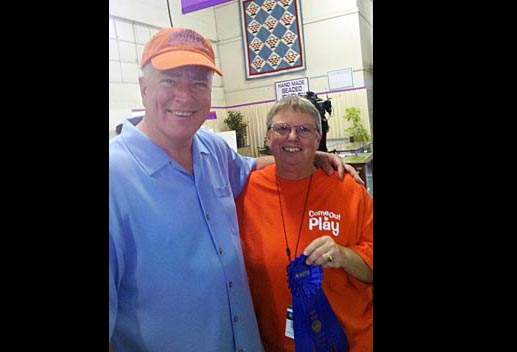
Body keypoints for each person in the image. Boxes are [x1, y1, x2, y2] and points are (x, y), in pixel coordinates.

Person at [109, 27, 361, 351]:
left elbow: (254, 165)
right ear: (144, 88)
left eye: (199, 83)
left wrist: (307, 154)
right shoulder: (116, 177)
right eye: (170, 80)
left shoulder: (211, 149)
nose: (185, 96)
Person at [236, 95, 373, 351]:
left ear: (318, 140)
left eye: (304, 130)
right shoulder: (244, 193)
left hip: (351, 342)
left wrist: (343, 256)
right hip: (274, 343)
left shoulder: (349, 191)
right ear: (267, 137)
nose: (292, 137)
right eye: (282, 128)